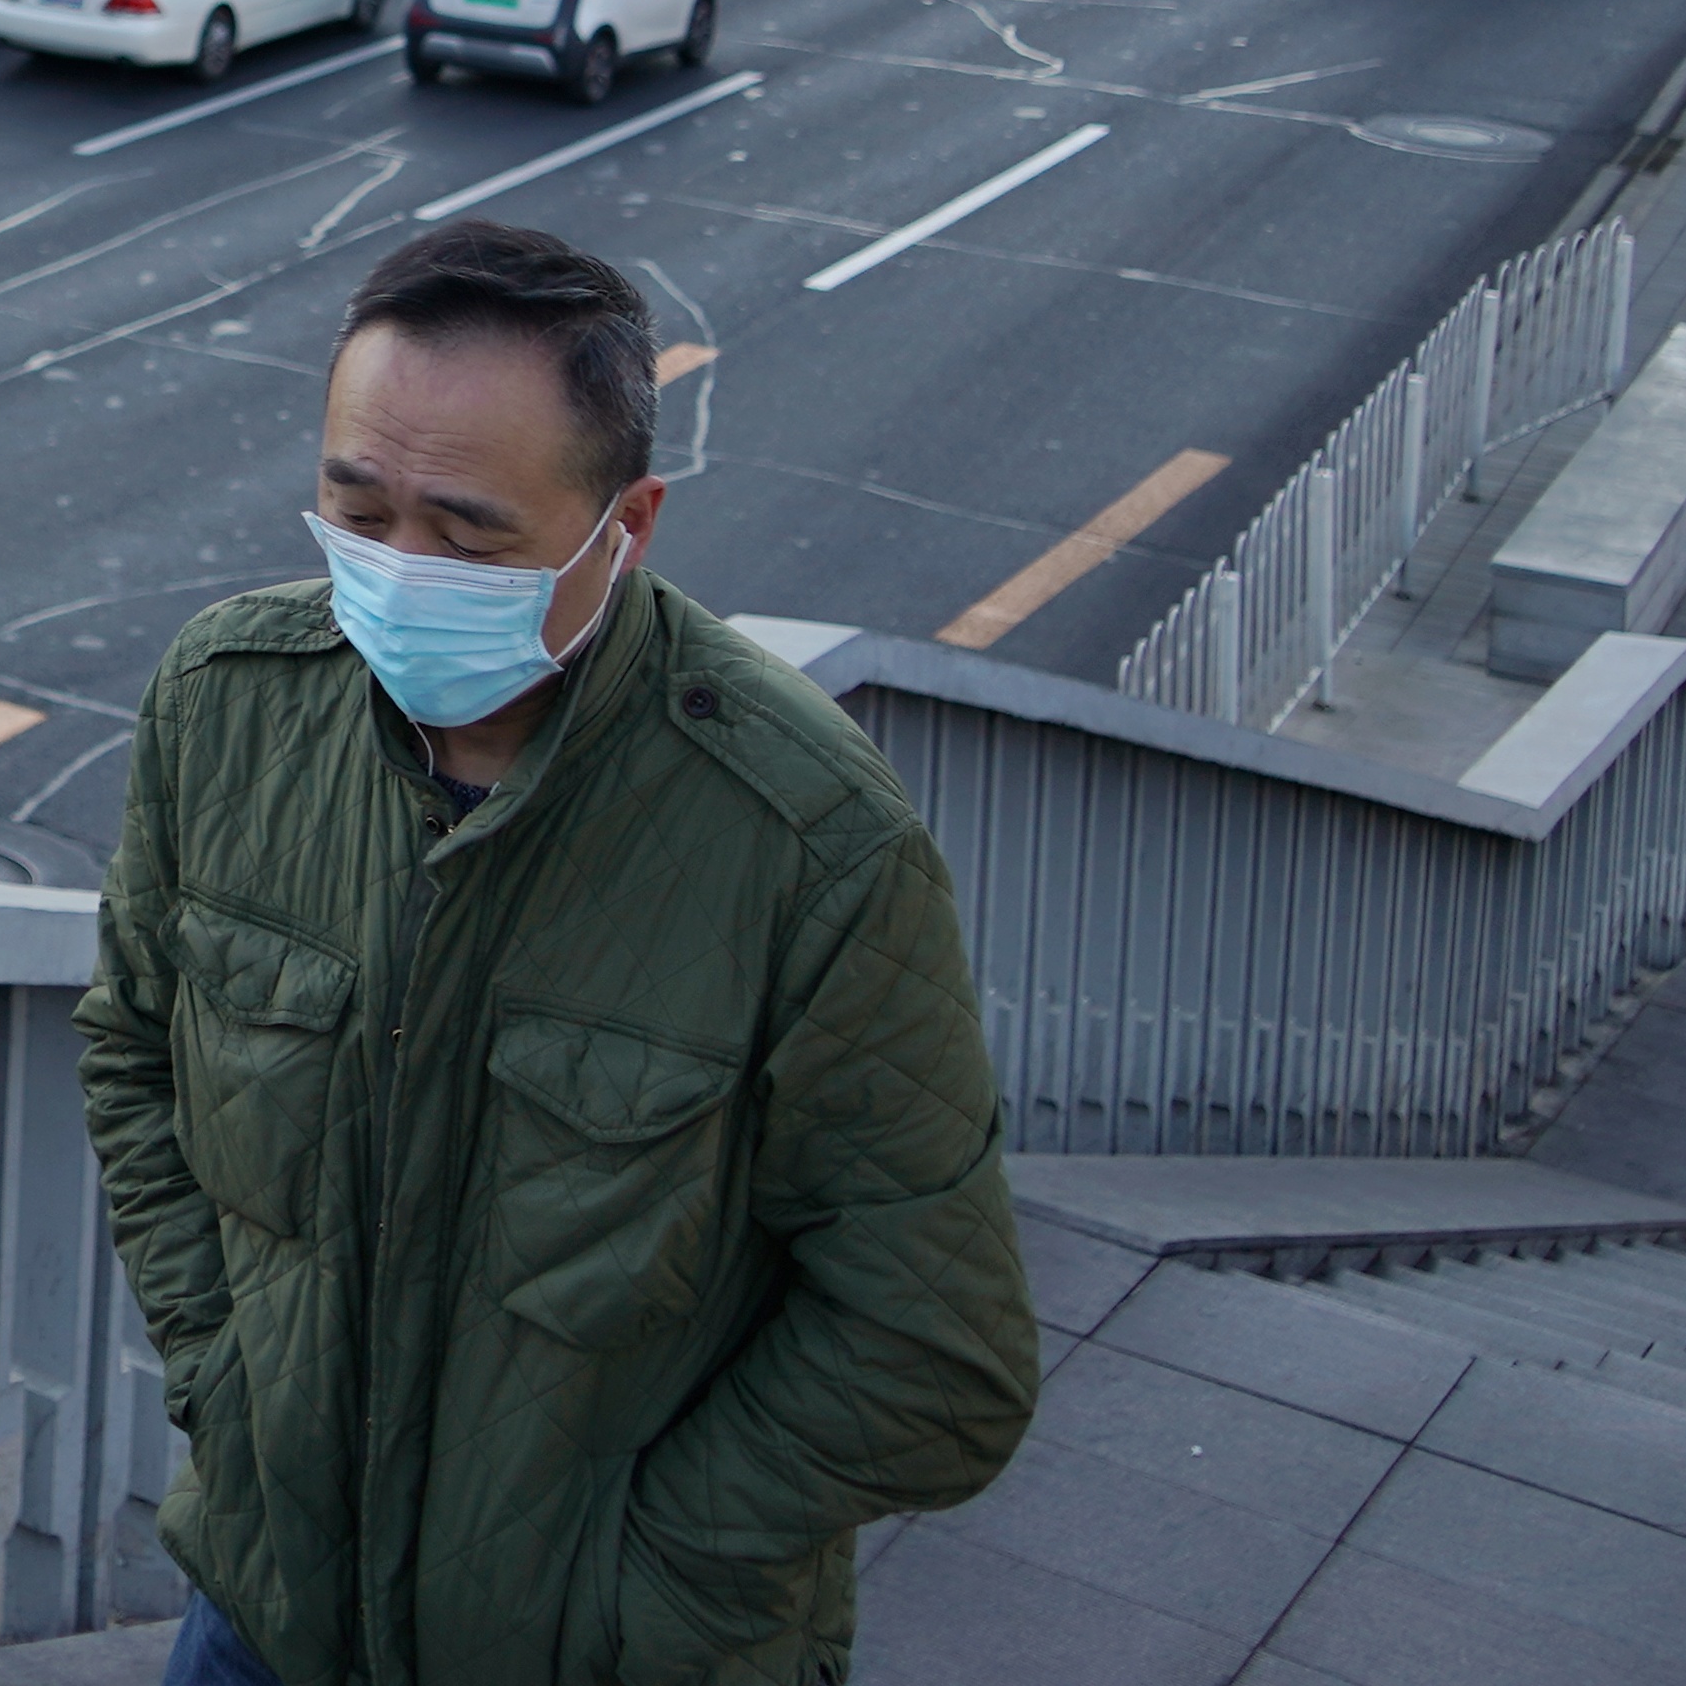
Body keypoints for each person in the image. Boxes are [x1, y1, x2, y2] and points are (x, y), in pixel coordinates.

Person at [77, 221, 1035, 1683]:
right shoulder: (228, 705)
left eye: (466, 532)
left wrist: (628, 1591)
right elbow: (135, 1048)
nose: (398, 569)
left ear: (627, 523)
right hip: (265, 1615)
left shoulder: (803, 840)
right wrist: (228, 1378)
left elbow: (937, 1353)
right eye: (357, 507)